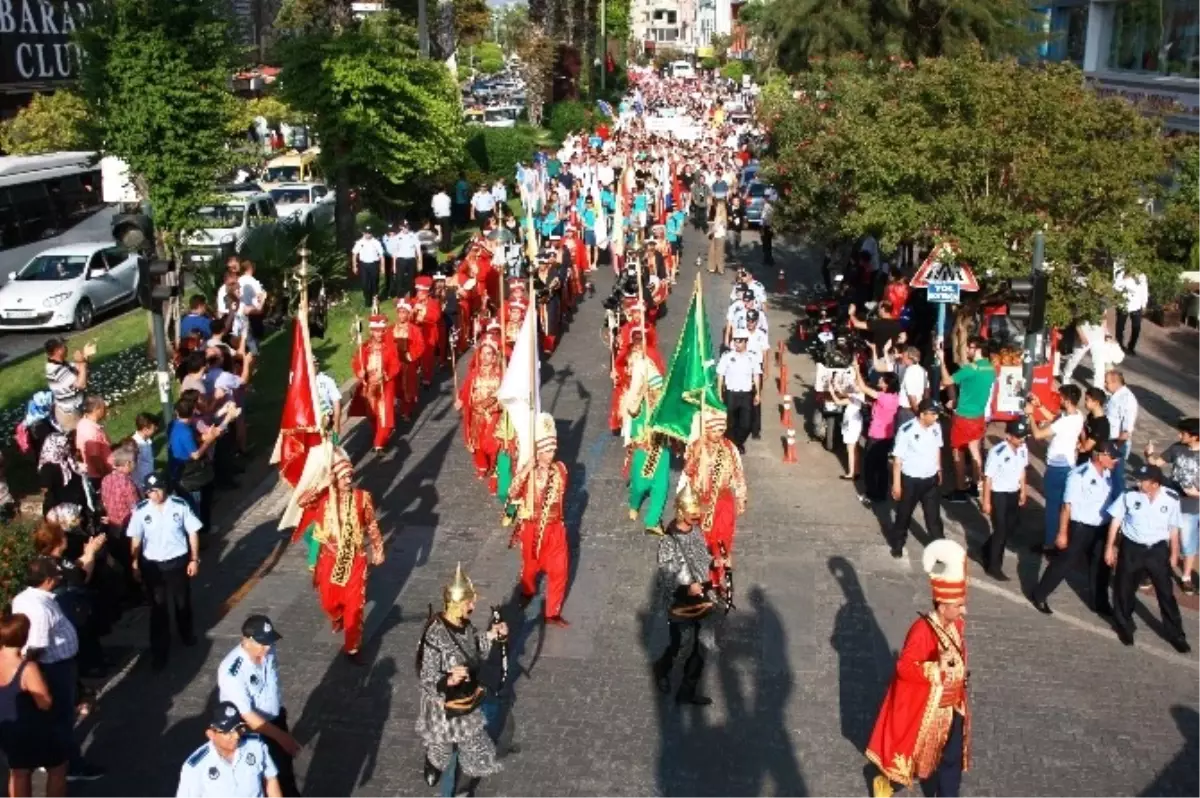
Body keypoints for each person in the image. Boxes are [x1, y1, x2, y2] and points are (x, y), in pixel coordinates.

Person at [867, 539, 970, 798]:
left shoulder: (957, 626)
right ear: (943, 605)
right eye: (958, 605)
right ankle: (886, 784)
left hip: (953, 708)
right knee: (918, 759)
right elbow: (904, 667)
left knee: (950, 759)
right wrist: (935, 670)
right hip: (927, 710)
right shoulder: (922, 630)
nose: (963, 610)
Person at [10, 557, 105, 783]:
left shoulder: (23, 598)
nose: (59, 578)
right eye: (55, 575)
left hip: (54, 666)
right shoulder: (41, 608)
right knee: (62, 720)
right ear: (47, 580)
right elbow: (38, 646)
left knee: (53, 719)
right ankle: (71, 765)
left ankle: (51, 757)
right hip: (56, 668)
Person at [414, 564, 505, 794]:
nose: (473, 606)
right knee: (441, 746)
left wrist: (493, 635)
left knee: (475, 747)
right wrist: (449, 679)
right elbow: (427, 677)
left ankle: (462, 790)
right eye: (469, 603)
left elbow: (474, 649)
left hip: (465, 701)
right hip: (442, 705)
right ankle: (434, 761)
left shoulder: (465, 625)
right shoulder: (435, 636)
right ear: (456, 605)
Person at [295, 451, 385, 663]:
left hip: (355, 559)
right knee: (329, 602)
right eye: (343, 476)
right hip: (329, 559)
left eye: (350, 476)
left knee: (355, 605)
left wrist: (378, 549)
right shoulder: (324, 499)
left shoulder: (363, 498)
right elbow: (302, 502)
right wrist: (322, 484)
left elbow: (371, 524)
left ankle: (352, 646)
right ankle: (337, 617)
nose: (348, 480)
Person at [653, 485, 726, 707]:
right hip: (680, 602)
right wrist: (686, 588)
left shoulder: (696, 531)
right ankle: (661, 668)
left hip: (703, 599)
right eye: (692, 514)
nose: (696, 518)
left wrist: (716, 562)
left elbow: (701, 559)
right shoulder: (668, 541)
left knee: (701, 647)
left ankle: (687, 690)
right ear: (681, 512)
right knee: (681, 645)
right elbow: (666, 576)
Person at [1104, 464, 1190, 653]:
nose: (1138, 482)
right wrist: (1110, 547)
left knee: (1166, 593)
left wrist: (1174, 554)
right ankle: (1124, 626)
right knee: (1124, 589)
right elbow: (1116, 520)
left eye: (1143, 480)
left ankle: (1176, 634)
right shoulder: (1129, 495)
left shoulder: (1171, 499)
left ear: (1155, 483)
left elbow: (1174, 528)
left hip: (1157, 550)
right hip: (1132, 548)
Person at [1029, 442, 1119, 617]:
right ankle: (1040, 594)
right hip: (1080, 527)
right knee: (1064, 563)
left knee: (1100, 566)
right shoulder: (1079, 475)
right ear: (1100, 456)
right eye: (1112, 457)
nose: (1115, 461)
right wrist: (1062, 533)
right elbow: (1067, 506)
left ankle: (1100, 602)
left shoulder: (1108, 474)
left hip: (1101, 527)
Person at [217, 616, 300, 798]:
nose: (268, 648)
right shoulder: (232, 673)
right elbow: (248, 716)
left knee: (284, 771)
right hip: (253, 732)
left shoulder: (266, 650)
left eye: (269, 642)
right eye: (262, 644)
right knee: (266, 777)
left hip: (275, 718)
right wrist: (282, 738)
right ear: (246, 640)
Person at [127, 473, 202, 669]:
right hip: (153, 565)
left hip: (177, 561)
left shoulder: (179, 505)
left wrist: (194, 559)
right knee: (158, 609)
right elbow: (136, 538)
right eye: (150, 491)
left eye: (158, 490)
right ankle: (160, 652)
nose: (154, 495)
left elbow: (192, 532)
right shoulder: (141, 510)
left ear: (165, 488)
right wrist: (134, 563)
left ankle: (186, 634)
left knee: (182, 602)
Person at [509, 413, 571, 626]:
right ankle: (527, 590)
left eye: (553, 450)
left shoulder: (561, 470)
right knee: (530, 566)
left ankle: (552, 611)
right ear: (538, 450)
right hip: (533, 527)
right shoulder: (529, 472)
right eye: (547, 450)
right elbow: (512, 493)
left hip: (555, 528)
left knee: (560, 569)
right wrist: (527, 469)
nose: (551, 454)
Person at [683, 409, 747, 587]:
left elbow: (738, 474)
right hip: (703, 502)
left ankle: (721, 578)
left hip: (725, 500)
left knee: (724, 540)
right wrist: (696, 451)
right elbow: (688, 471)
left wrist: (741, 497)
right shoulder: (697, 446)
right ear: (707, 429)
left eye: (721, 430)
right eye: (714, 431)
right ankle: (708, 575)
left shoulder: (729, 448)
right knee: (706, 539)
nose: (718, 434)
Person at [176, 702, 282, 798]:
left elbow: (271, 779)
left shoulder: (256, 746)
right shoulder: (196, 767)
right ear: (211, 734)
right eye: (228, 732)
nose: (236, 736)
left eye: (237, 728)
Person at [1144, 417, 1200, 594]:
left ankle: (1186, 577)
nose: (1179, 435)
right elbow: (1156, 464)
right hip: (1169, 499)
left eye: (1183, 433)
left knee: (1188, 541)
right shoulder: (1177, 448)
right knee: (1161, 537)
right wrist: (1148, 455)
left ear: (1195, 436)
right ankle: (1155, 572)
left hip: (1192, 505)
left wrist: (1196, 494)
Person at [1026, 385, 1084, 552]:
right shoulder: (1077, 416)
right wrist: (1039, 406)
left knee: (1052, 508)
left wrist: (1031, 415)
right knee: (1062, 505)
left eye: (1060, 397)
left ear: (1066, 400)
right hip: (1069, 466)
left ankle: (1050, 543)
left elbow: (1038, 435)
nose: (1058, 399)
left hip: (1057, 469)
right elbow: (1054, 418)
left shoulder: (1065, 421)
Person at [939, 336, 996, 503]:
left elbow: (947, 380)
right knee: (975, 449)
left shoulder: (971, 368)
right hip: (978, 416)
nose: (968, 351)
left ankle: (960, 489)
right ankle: (975, 484)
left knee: (958, 452)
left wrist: (942, 362)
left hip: (963, 416)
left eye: (970, 348)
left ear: (977, 349)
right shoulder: (990, 369)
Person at [622, 338, 669, 535]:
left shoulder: (655, 381)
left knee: (661, 483)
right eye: (631, 365)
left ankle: (653, 520)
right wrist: (639, 389)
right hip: (642, 445)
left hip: (659, 442)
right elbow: (631, 409)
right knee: (639, 483)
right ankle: (634, 503)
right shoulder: (630, 396)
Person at [888, 401, 944, 559]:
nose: (936, 417)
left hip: (930, 479)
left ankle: (939, 548)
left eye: (936, 414)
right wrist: (897, 484)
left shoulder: (936, 427)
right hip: (910, 480)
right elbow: (897, 459)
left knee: (933, 518)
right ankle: (898, 544)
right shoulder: (906, 430)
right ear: (922, 414)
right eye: (932, 414)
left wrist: (939, 469)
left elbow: (937, 448)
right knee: (904, 515)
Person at [980, 420, 1030, 580]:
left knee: (1011, 526)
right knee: (1001, 530)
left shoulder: (1023, 449)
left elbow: (1022, 469)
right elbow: (988, 478)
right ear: (1008, 436)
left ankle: (987, 548)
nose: (1022, 440)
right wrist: (986, 501)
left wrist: (1023, 490)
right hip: (999, 494)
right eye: (1018, 437)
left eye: (1023, 437)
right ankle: (994, 566)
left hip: (1013, 493)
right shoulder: (997, 452)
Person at [349, 315, 401, 452]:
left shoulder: (390, 347)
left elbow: (395, 365)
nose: (379, 334)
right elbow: (356, 363)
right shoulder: (364, 348)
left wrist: (387, 375)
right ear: (371, 331)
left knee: (385, 416)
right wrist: (359, 372)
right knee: (372, 414)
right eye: (376, 331)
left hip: (385, 387)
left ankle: (379, 443)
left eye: (382, 330)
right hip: (369, 387)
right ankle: (379, 435)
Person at [454, 338, 503, 484]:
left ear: (494, 356)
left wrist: (493, 406)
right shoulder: (474, 373)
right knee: (477, 443)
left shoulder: (500, 375)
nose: (485, 357)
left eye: (489, 354)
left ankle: (494, 467)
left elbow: (503, 396)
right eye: (483, 353)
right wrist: (461, 400)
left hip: (493, 415)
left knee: (492, 443)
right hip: (476, 414)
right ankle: (482, 466)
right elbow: (466, 389)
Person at [856, 370, 901, 503]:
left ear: (887, 385)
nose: (879, 381)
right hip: (888, 436)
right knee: (882, 467)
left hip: (876, 435)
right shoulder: (895, 397)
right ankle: (881, 493)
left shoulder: (882, 397)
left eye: (882, 380)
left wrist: (856, 369)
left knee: (869, 466)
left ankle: (871, 493)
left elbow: (863, 388)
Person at [716, 329, 761, 452]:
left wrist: (757, 393)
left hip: (746, 394)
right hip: (731, 394)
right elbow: (720, 375)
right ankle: (732, 445)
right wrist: (719, 393)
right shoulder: (727, 357)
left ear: (746, 342)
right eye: (735, 341)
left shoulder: (752, 357)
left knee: (746, 424)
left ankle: (738, 442)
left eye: (740, 341)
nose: (737, 343)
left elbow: (756, 375)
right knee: (730, 422)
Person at [44, 338, 94, 432]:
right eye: (64, 346)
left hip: (76, 409)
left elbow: (79, 368)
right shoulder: (55, 370)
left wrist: (84, 356)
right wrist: (83, 363)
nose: (66, 348)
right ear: (58, 351)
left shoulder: (62, 363)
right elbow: (81, 384)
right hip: (70, 415)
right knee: (81, 441)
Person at [1104, 369, 1138, 502]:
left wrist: (1115, 448)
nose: (1105, 385)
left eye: (1107, 382)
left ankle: (1118, 508)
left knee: (1116, 479)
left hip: (1117, 444)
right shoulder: (1115, 395)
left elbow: (1126, 431)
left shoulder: (1127, 400)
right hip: (1110, 442)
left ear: (1115, 382)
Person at [391, 301, 426, 424]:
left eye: (404, 313)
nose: (401, 315)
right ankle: (399, 404)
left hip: (407, 362)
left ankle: (407, 410)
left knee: (408, 386)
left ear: (408, 314)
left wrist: (412, 355)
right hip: (395, 362)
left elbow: (421, 345)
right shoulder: (392, 328)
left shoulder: (414, 329)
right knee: (396, 386)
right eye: (399, 312)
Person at [1061, 319, 1109, 389]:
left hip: (1098, 337)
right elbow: (1077, 319)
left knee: (1099, 363)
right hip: (1085, 336)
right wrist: (1081, 335)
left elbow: (1104, 318)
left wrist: (1105, 332)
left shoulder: (1103, 307)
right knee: (1075, 358)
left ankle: (1098, 387)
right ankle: (1066, 376)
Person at [74, 396, 112, 485]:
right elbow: (94, 457)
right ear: (96, 410)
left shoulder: (82, 422)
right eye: (103, 408)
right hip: (99, 475)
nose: (106, 410)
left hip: (92, 472)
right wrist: (105, 475)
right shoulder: (92, 431)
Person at [1113, 267, 1148, 355]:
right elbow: (1116, 287)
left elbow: (1144, 290)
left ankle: (1131, 347)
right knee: (1120, 327)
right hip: (1123, 304)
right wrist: (1126, 277)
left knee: (1136, 328)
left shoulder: (1141, 275)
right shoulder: (1122, 273)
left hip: (1136, 305)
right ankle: (1119, 346)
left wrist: (1144, 305)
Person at [351, 227, 385, 306]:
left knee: (374, 282)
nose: (368, 234)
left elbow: (381, 255)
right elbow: (354, 254)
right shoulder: (359, 242)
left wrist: (382, 267)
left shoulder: (376, 242)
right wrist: (354, 266)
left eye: (369, 233)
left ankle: (375, 299)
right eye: (366, 232)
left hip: (374, 264)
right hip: (363, 265)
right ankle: (367, 300)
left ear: (371, 233)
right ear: (363, 233)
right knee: (364, 284)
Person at [896, 347, 927, 429]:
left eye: (904, 355)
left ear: (910, 358)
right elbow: (927, 390)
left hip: (908, 411)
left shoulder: (910, 372)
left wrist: (917, 412)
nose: (902, 357)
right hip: (919, 408)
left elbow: (911, 396)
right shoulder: (923, 370)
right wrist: (924, 408)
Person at [1077, 387, 1110, 465]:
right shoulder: (1091, 415)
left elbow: (1086, 448)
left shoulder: (1102, 424)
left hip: (1091, 462)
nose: (1084, 402)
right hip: (1083, 458)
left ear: (1096, 402)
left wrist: (1081, 431)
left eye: (1087, 399)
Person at [131, 413, 159, 489]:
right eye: (154, 428)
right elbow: (134, 469)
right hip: (142, 484)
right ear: (145, 429)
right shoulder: (136, 445)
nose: (156, 429)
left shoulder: (147, 440)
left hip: (150, 478)